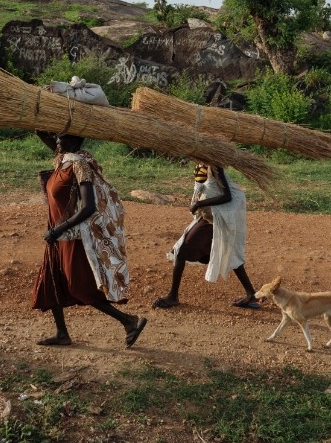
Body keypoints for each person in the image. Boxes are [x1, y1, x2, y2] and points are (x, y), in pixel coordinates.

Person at [31, 131, 147, 348]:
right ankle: (62, 333)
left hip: (70, 235)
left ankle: (128, 320)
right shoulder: (62, 160)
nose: (56, 140)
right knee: (52, 280)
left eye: (62, 137)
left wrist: (59, 230)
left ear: (74, 141)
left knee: (79, 286)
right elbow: (45, 136)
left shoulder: (80, 165)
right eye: (56, 137)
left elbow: (89, 207)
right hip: (56, 235)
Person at [152, 162, 260, 309]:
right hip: (208, 217)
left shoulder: (214, 166)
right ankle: (251, 293)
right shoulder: (201, 164)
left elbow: (226, 196)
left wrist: (198, 204)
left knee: (182, 250)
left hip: (214, 220)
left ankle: (172, 297)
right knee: (229, 253)